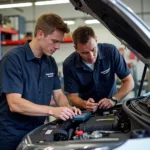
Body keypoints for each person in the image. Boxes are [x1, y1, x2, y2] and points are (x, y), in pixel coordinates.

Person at [0, 13, 81, 150]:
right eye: (54, 41)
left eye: (59, 42)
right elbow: (15, 104)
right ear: (40, 34)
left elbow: (58, 94)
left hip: (37, 132)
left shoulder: (50, 62)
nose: (57, 47)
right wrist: (52, 111)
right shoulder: (13, 60)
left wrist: (67, 109)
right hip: (11, 136)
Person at [63, 26, 134, 112]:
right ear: (76, 49)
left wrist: (113, 99)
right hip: (86, 111)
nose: (91, 56)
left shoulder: (111, 52)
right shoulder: (69, 64)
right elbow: (73, 96)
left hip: (113, 106)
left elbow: (129, 82)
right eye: (84, 53)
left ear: (96, 41)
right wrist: (84, 104)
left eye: (93, 49)